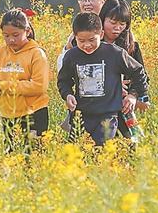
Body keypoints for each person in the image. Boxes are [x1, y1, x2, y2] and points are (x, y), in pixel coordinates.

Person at [57, 12, 149, 147]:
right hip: (80, 116)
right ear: (75, 37)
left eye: (92, 40)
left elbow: (139, 72)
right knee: (76, 153)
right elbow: (63, 81)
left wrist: (133, 95)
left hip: (107, 116)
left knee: (101, 151)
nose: (87, 45)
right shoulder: (71, 56)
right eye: (81, 41)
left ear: (101, 34)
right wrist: (68, 95)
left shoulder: (115, 53)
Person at [0, 8, 50, 152]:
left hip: (33, 114)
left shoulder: (37, 54)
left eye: (16, 35)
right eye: (6, 35)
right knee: (10, 157)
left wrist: (4, 86)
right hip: (7, 113)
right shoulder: (0, 52)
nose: (11, 40)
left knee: (33, 158)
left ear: (27, 31)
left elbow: (39, 86)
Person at [99, 0, 150, 140]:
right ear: (102, 19)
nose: (117, 28)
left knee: (131, 144)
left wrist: (133, 96)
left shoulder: (131, 46)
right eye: (113, 22)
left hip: (124, 107)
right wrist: (112, 85)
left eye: (122, 24)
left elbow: (143, 77)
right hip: (98, 108)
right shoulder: (91, 44)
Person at [56, 0, 112, 72]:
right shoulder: (77, 31)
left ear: (104, 1)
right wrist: (68, 48)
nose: (87, 3)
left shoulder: (113, 29)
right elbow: (62, 69)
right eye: (83, 0)